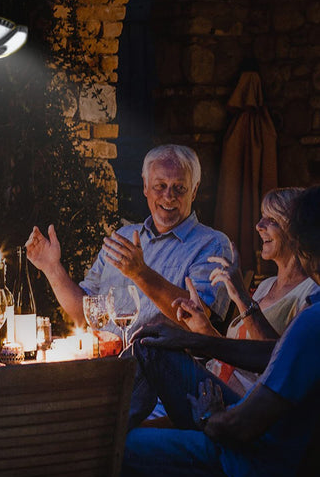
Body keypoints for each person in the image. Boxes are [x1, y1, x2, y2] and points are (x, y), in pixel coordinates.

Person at [121, 185, 320, 477]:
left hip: (249, 468)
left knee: (109, 449)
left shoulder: (311, 319)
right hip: (245, 432)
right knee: (151, 342)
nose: (260, 227)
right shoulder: (305, 314)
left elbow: (239, 427)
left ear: (302, 244)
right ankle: (100, 433)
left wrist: (209, 416)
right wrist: (193, 339)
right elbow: (276, 354)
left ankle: (88, 446)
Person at [26, 144, 232, 340]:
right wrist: (51, 268)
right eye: (160, 186)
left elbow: (199, 322)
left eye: (179, 188)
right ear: (145, 186)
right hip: (107, 361)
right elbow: (83, 314)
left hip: (160, 369)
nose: (169, 196)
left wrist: (140, 273)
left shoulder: (212, 244)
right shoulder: (123, 237)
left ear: (194, 191)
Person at [174, 187, 318, 395]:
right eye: (262, 218)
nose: (259, 226)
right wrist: (204, 328)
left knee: (151, 350)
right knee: (151, 342)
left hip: (244, 405)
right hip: (213, 384)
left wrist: (241, 296)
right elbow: (237, 354)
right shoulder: (266, 285)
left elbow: (283, 360)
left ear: (296, 232)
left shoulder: (310, 292)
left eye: (272, 221)